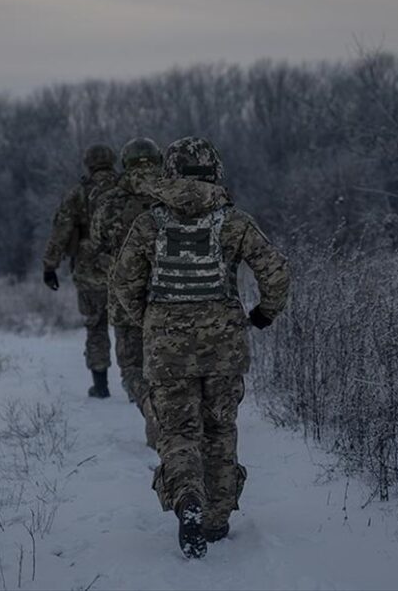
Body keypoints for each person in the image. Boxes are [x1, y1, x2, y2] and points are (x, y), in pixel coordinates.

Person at [111, 136, 290, 558]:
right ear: (215, 171)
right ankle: (216, 519)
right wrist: (264, 313)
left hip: (166, 347)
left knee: (178, 432)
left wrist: (151, 322)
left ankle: (187, 499)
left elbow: (123, 282)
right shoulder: (234, 221)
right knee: (219, 429)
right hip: (224, 348)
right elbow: (277, 272)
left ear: (169, 172)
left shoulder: (150, 223)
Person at [90, 137, 164, 447]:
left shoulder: (110, 201)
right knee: (166, 365)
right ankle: (169, 415)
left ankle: (150, 408)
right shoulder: (171, 195)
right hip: (168, 297)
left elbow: (96, 242)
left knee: (133, 366)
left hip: (124, 298)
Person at [42, 143, 119, 398]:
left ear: (88, 163)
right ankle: (136, 387)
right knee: (131, 327)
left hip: (89, 269)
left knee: (96, 325)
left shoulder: (78, 193)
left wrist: (50, 266)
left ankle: (100, 385)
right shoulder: (127, 189)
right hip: (127, 268)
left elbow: (61, 231)